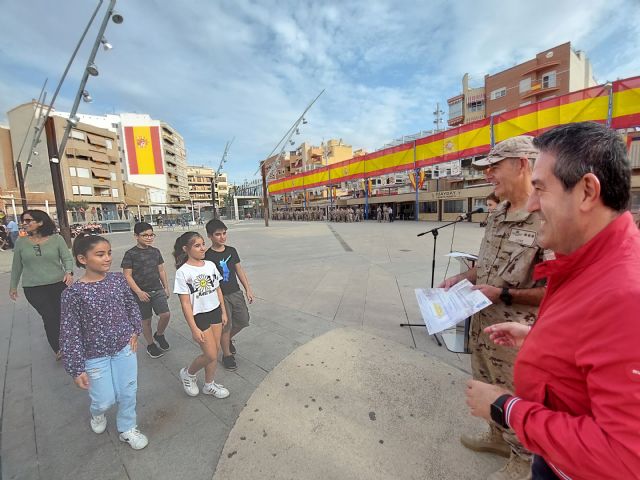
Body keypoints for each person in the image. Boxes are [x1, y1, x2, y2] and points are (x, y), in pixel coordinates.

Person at [465, 122, 640, 480]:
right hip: (556, 452)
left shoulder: (627, 295)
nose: (532, 202)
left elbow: (625, 458)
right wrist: (538, 337)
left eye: (541, 189)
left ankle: (518, 461)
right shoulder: (588, 260)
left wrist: (506, 408)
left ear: (587, 192)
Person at [439, 136, 546, 480]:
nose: (489, 175)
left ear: (522, 165)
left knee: (516, 394)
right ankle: (497, 437)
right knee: (485, 382)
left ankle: (522, 463)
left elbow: (557, 289)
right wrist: (461, 279)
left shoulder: (545, 216)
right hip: (483, 322)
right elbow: (485, 266)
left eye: (495, 167)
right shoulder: (498, 214)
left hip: (517, 333)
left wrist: (503, 294)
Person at [60, 234, 148, 450]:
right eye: (100, 254)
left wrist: (135, 330)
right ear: (82, 259)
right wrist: (76, 367)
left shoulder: (118, 280)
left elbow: (131, 305)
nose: (107, 258)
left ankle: (127, 427)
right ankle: (97, 413)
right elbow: (69, 331)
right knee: (104, 399)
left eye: (108, 253)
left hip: (124, 347)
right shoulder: (73, 293)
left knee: (128, 391)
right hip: (94, 356)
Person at [9, 210, 74, 359]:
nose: (24, 224)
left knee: (61, 316)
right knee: (49, 316)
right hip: (33, 288)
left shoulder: (57, 239)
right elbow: (16, 266)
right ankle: (58, 349)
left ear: (40, 222)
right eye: (23, 221)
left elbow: (67, 258)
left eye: (28, 220)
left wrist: (69, 272)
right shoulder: (21, 242)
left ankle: (68, 343)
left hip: (58, 284)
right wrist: (13, 286)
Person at [173, 232, 230, 399]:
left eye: (203, 244)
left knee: (216, 349)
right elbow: (185, 303)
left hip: (215, 312)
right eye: (197, 245)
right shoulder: (183, 272)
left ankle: (209, 384)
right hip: (200, 316)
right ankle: (188, 374)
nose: (203, 248)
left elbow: (218, 289)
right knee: (210, 354)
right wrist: (193, 328)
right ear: (186, 249)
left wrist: (223, 311)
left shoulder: (210, 265)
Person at [205, 219, 255, 371]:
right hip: (219, 296)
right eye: (218, 234)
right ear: (210, 236)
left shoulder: (231, 251)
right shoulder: (207, 256)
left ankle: (227, 341)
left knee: (243, 321)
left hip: (235, 292)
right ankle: (226, 355)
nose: (222, 237)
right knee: (225, 327)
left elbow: (239, 270)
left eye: (224, 233)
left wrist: (248, 289)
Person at [121, 222, 171, 359]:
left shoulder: (155, 251)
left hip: (157, 289)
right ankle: (150, 344)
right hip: (140, 293)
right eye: (144, 235)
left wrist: (166, 287)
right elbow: (127, 275)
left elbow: (161, 270)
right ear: (136, 236)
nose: (149, 238)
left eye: (151, 235)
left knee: (165, 314)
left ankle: (159, 334)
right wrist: (138, 292)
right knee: (146, 320)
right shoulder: (130, 254)